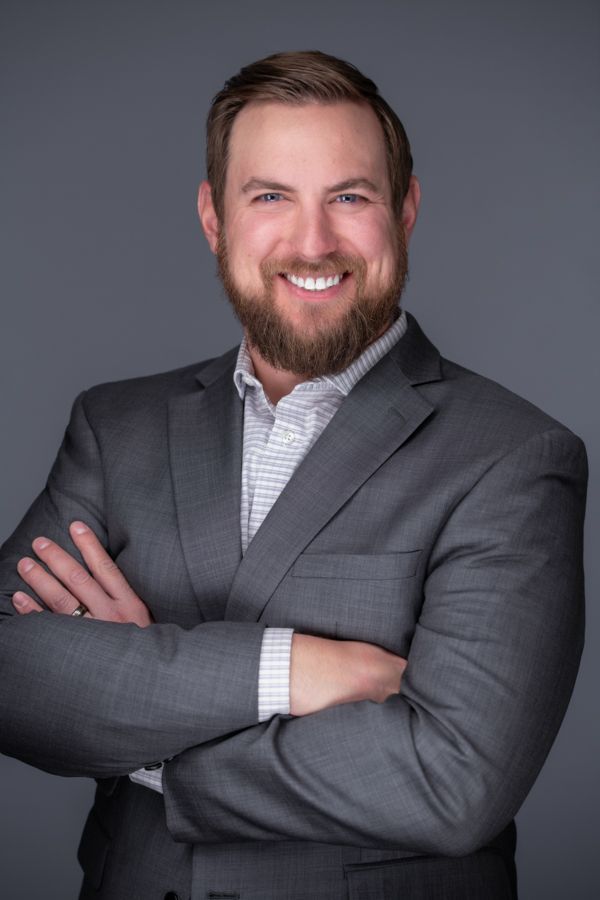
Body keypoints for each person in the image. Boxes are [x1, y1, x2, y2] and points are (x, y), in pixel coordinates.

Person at [0, 50, 586, 900]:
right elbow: (12, 674)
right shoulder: (115, 427)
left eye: (350, 197)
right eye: (270, 196)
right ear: (214, 218)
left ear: (406, 211)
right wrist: (288, 669)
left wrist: (143, 721)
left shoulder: (514, 457)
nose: (312, 242)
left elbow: (451, 785)